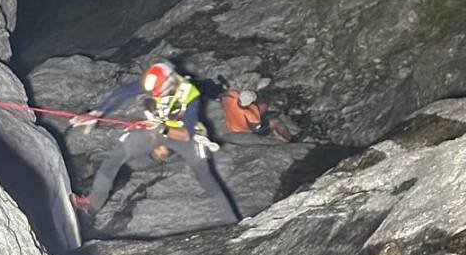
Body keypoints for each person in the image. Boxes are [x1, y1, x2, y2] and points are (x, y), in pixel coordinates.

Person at [68, 61, 239, 225]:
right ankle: (91, 206)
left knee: (207, 178)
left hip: (183, 135)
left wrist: (162, 129)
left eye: (158, 93)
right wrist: (97, 112)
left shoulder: (190, 94)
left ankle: (233, 221)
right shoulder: (155, 81)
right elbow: (123, 93)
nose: (155, 96)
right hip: (156, 130)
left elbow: (187, 134)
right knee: (114, 159)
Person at [221, 89, 298, 141]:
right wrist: (264, 122)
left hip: (232, 119)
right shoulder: (250, 115)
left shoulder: (230, 97)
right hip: (243, 129)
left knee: (263, 105)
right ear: (250, 103)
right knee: (276, 121)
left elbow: (227, 92)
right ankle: (291, 139)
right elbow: (256, 127)